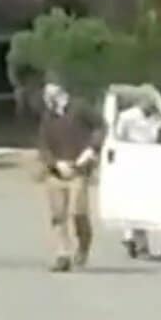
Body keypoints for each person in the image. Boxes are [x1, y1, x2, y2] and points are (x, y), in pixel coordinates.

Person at [37, 82, 105, 272]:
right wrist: (55, 163)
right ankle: (63, 254)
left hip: (78, 169)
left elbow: (100, 126)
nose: (47, 99)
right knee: (58, 215)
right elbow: (43, 145)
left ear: (62, 93)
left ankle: (83, 245)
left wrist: (92, 149)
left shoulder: (80, 108)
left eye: (51, 94)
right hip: (57, 171)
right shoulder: (48, 117)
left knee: (78, 212)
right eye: (46, 95)